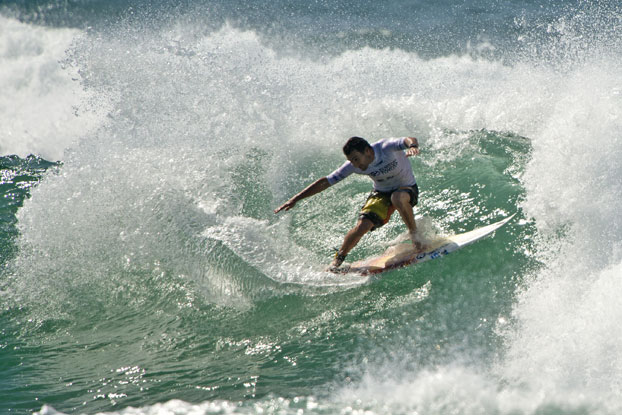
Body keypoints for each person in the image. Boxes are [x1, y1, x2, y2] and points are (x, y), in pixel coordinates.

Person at [274, 136, 422, 269]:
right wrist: (295, 199)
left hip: (407, 188)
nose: (354, 164)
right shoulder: (353, 165)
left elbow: (408, 139)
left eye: (356, 159)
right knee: (361, 226)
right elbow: (326, 182)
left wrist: (413, 146)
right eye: (351, 160)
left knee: (397, 197)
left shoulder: (385, 148)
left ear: (368, 151)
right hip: (381, 193)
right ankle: (337, 261)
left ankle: (416, 238)